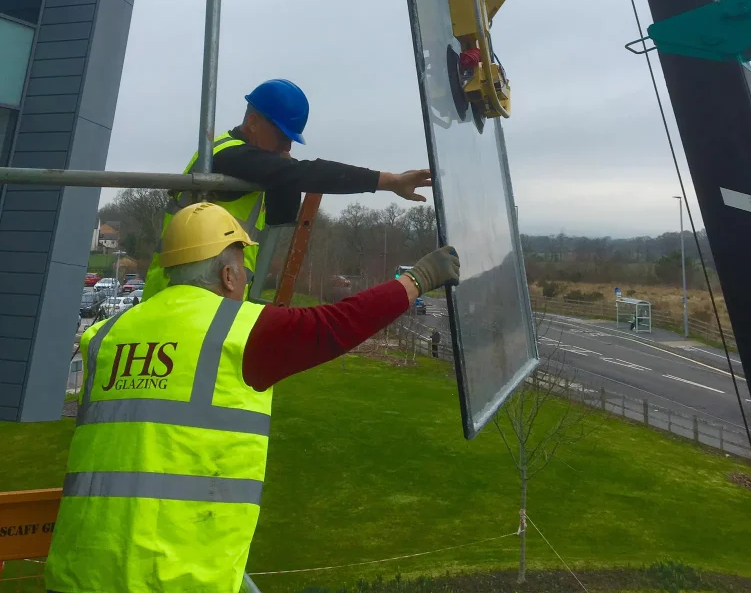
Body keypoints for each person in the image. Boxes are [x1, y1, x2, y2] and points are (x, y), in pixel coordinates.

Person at [45, 202, 460, 593]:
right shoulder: (238, 331)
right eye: (242, 266)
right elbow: (338, 324)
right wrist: (418, 279)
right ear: (228, 275)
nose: (245, 278)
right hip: (174, 576)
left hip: (81, 567)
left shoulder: (107, 335)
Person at [142, 79, 431, 301]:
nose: (287, 146)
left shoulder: (252, 163)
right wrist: (390, 181)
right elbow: (305, 175)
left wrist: (284, 168)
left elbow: (282, 214)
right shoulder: (228, 156)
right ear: (253, 122)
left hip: (214, 296)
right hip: (180, 295)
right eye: (282, 136)